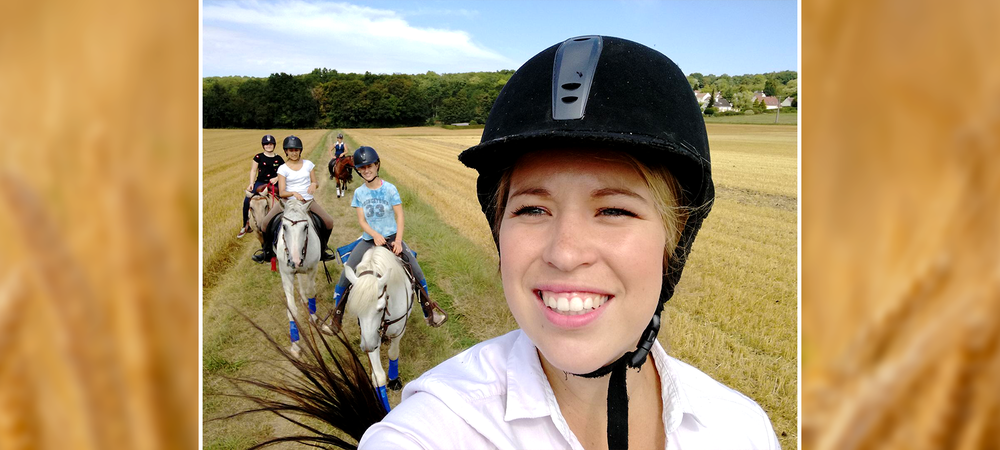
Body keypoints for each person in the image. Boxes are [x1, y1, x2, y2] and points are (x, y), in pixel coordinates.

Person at [357, 36, 781, 449]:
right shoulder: (432, 430)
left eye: (614, 211)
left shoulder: (742, 430)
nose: (564, 253)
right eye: (532, 210)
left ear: (676, 238)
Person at [331, 146, 448, 328]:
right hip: (369, 239)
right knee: (347, 274)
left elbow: (400, 216)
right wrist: (375, 235)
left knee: (416, 270)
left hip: (393, 237)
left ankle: (429, 312)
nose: (366, 170)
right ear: (358, 171)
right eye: (362, 168)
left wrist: (399, 241)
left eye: (369, 165)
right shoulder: (359, 193)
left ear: (377, 165)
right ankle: (336, 317)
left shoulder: (390, 189)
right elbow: (362, 221)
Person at [253, 135, 336, 262]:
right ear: (286, 151)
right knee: (264, 224)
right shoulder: (283, 168)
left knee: (329, 221)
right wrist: (293, 193)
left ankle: (323, 249)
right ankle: (267, 251)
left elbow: (315, 182)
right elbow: (282, 192)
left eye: (296, 150)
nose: (294, 153)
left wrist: (314, 184)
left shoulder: (308, 165)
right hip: (287, 202)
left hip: (307, 201)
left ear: (300, 150)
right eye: (291, 150)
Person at [237, 134, 283, 238]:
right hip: (260, 182)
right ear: (263, 146)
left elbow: (283, 172)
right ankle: (245, 225)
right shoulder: (258, 157)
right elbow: (253, 170)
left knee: (285, 198)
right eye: (266, 144)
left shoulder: (278, 158)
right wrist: (251, 183)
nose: (268, 146)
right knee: (246, 200)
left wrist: (276, 178)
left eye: (271, 144)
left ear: (274, 145)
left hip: (274, 183)